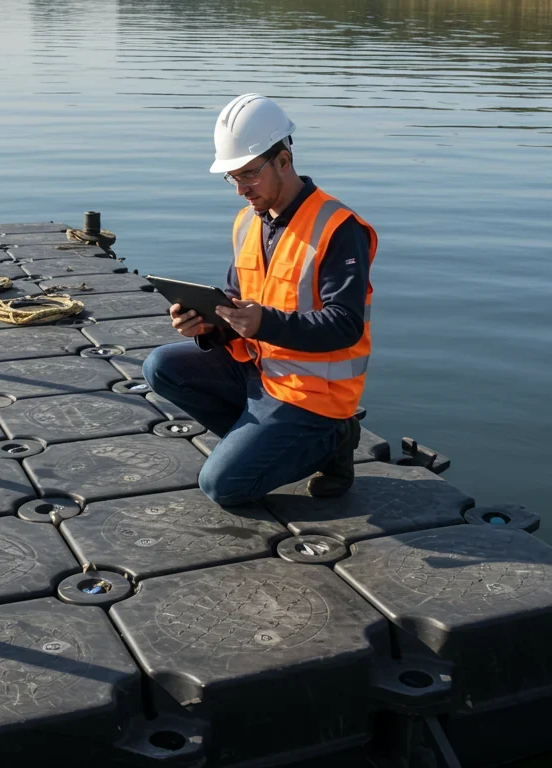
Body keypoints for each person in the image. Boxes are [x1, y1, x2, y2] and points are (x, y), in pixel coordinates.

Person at [143, 93, 377, 506]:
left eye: (248, 175)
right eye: (232, 177)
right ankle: (263, 441)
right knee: (161, 366)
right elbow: (237, 303)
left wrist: (265, 323)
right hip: (259, 372)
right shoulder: (248, 222)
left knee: (222, 486)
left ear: (283, 161)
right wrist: (209, 326)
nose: (240, 190)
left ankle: (333, 441)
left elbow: (345, 324)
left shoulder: (339, 227)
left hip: (313, 393)